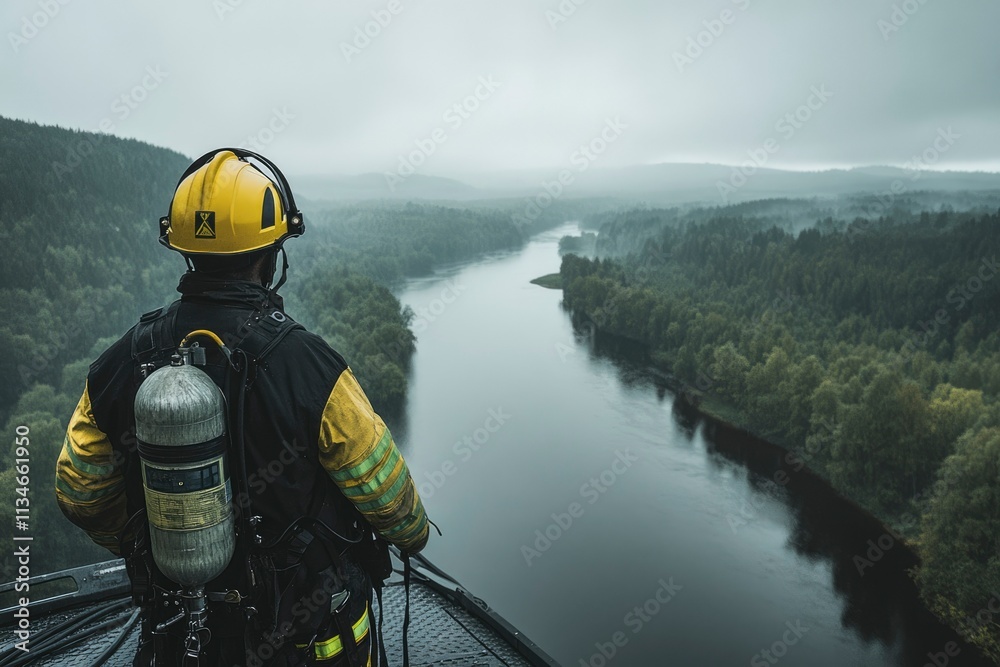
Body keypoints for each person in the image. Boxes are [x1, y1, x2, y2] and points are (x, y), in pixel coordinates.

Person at [55, 148, 430, 666]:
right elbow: (391, 501)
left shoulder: (121, 362)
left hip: (183, 633)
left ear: (183, 249)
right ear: (271, 252)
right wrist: (411, 535)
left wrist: (162, 544)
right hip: (305, 639)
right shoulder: (311, 367)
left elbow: (80, 492)